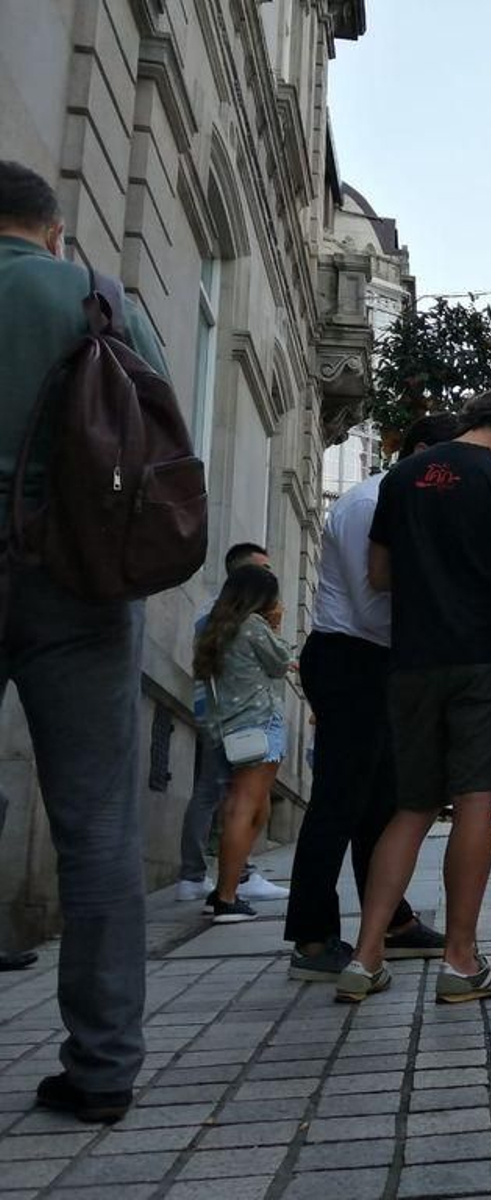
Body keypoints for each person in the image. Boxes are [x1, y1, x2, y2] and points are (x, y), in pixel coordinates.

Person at [0, 162, 167, 1121]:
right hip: (84, 583)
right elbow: (157, 446)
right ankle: (102, 1070)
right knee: (100, 832)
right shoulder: (97, 298)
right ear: (55, 231)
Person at [334, 388, 491, 1005]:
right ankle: (460, 962)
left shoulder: (400, 478)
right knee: (476, 805)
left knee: (412, 807)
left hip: (414, 660)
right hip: (486, 659)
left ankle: (366, 957)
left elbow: (378, 573)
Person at [283, 416, 458, 980]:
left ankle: (392, 921)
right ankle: (312, 939)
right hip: (350, 657)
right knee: (339, 799)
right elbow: (369, 604)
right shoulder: (367, 506)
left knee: (382, 801)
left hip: (378, 661)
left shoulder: (403, 503)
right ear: (424, 455)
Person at [178, 542, 290, 905]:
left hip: (224, 725)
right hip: (258, 724)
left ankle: (229, 881)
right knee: (244, 805)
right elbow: (279, 661)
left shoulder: (215, 624)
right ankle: (228, 893)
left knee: (243, 803)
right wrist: (275, 625)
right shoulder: (253, 625)